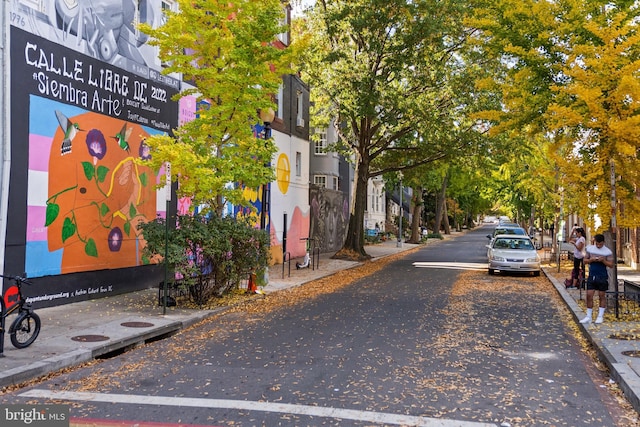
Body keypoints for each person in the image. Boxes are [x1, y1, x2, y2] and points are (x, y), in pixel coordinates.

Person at [580, 234, 614, 324]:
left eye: (600, 244)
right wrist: (591, 259)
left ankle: (600, 316)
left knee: (601, 295)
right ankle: (588, 316)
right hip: (592, 275)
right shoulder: (590, 249)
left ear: (603, 242)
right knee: (589, 295)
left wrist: (603, 261)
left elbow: (611, 265)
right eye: (597, 244)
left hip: (602, 276)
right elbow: (584, 261)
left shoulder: (607, 251)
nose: (598, 245)